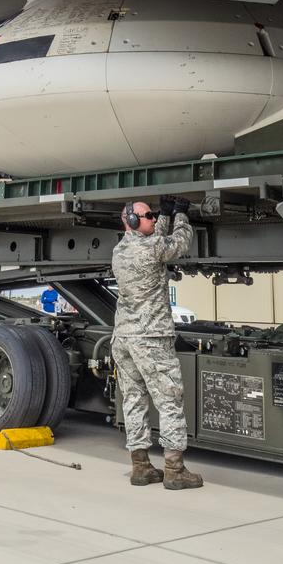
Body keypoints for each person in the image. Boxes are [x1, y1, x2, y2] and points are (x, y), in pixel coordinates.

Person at [110, 195, 203, 490]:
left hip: (123, 337)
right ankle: (175, 470)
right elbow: (179, 242)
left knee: (134, 399)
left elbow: (155, 238)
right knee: (169, 399)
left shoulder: (120, 250)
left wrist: (163, 214)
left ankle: (140, 467)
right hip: (150, 338)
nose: (152, 218)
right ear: (135, 221)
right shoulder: (152, 248)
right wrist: (181, 216)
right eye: (147, 215)